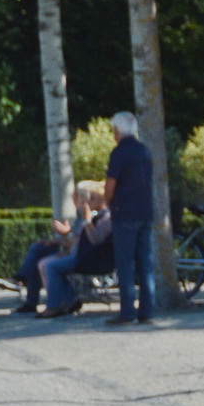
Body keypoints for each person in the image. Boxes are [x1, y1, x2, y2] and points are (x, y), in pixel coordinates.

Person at [103, 112, 155, 326]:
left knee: (125, 264)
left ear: (117, 130)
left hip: (124, 213)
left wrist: (109, 202)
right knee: (145, 263)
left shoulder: (119, 152)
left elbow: (110, 185)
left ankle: (127, 312)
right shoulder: (144, 151)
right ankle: (147, 311)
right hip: (145, 212)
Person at [39, 183, 114, 317]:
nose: (83, 202)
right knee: (49, 263)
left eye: (86, 199)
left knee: (51, 266)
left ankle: (54, 306)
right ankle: (69, 301)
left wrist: (87, 221)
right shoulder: (96, 216)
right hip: (85, 256)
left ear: (95, 199)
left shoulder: (107, 217)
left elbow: (95, 240)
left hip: (94, 259)